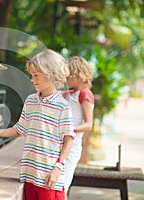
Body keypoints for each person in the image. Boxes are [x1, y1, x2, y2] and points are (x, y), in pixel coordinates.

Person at [0, 49, 75, 200]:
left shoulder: (63, 107)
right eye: (31, 75)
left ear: (50, 74)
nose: (32, 79)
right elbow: (18, 129)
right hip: (29, 176)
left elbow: (68, 140)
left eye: (36, 75)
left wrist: (57, 168)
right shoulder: (30, 101)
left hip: (48, 180)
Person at [62, 56, 95, 199]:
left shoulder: (84, 94)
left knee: (63, 184)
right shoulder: (70, 93)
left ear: (78, 75)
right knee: (56, 184)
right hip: (62, 143)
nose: (66, 79)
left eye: (68, 76)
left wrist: (71, 130)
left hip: (73, 145)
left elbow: (88, 124)